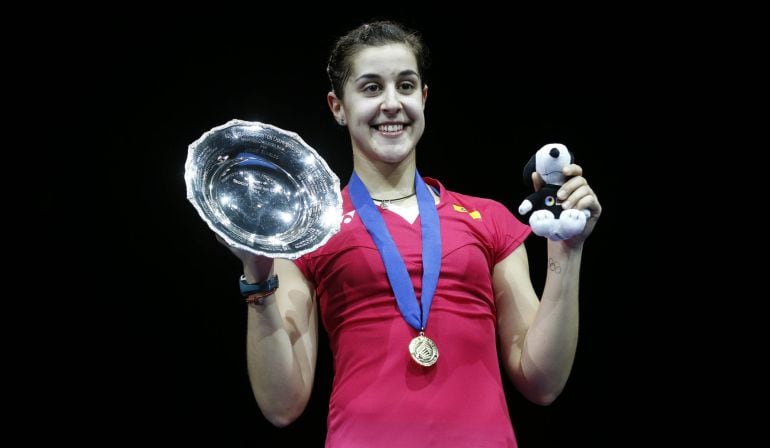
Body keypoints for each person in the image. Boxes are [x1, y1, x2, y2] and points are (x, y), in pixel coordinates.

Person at [219, 20, 602, 447]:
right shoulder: (309, 231)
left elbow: (542, 382)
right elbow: (282, 405)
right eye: (370, 88)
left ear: (423, 98)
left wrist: (568, 251)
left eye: (405, 85)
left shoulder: (488, 218)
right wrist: (257, 272)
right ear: (337, 107)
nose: (391, 103)